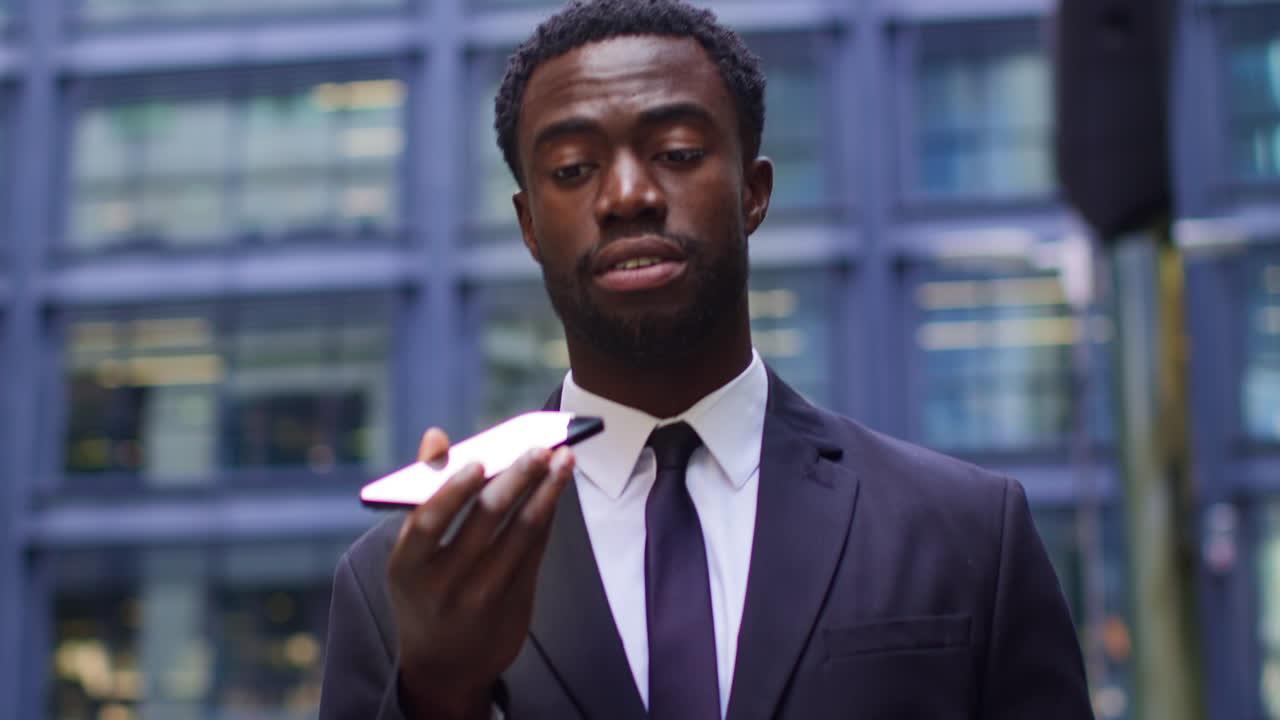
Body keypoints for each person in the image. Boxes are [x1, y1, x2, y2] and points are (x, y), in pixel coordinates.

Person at [318, 0, 1094, 718]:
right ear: (528, 225)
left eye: (677, 151)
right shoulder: (408, 582)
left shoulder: (967, 535)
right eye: (572, 169)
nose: (626, 194)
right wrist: (439, 692)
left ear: (753, 192)